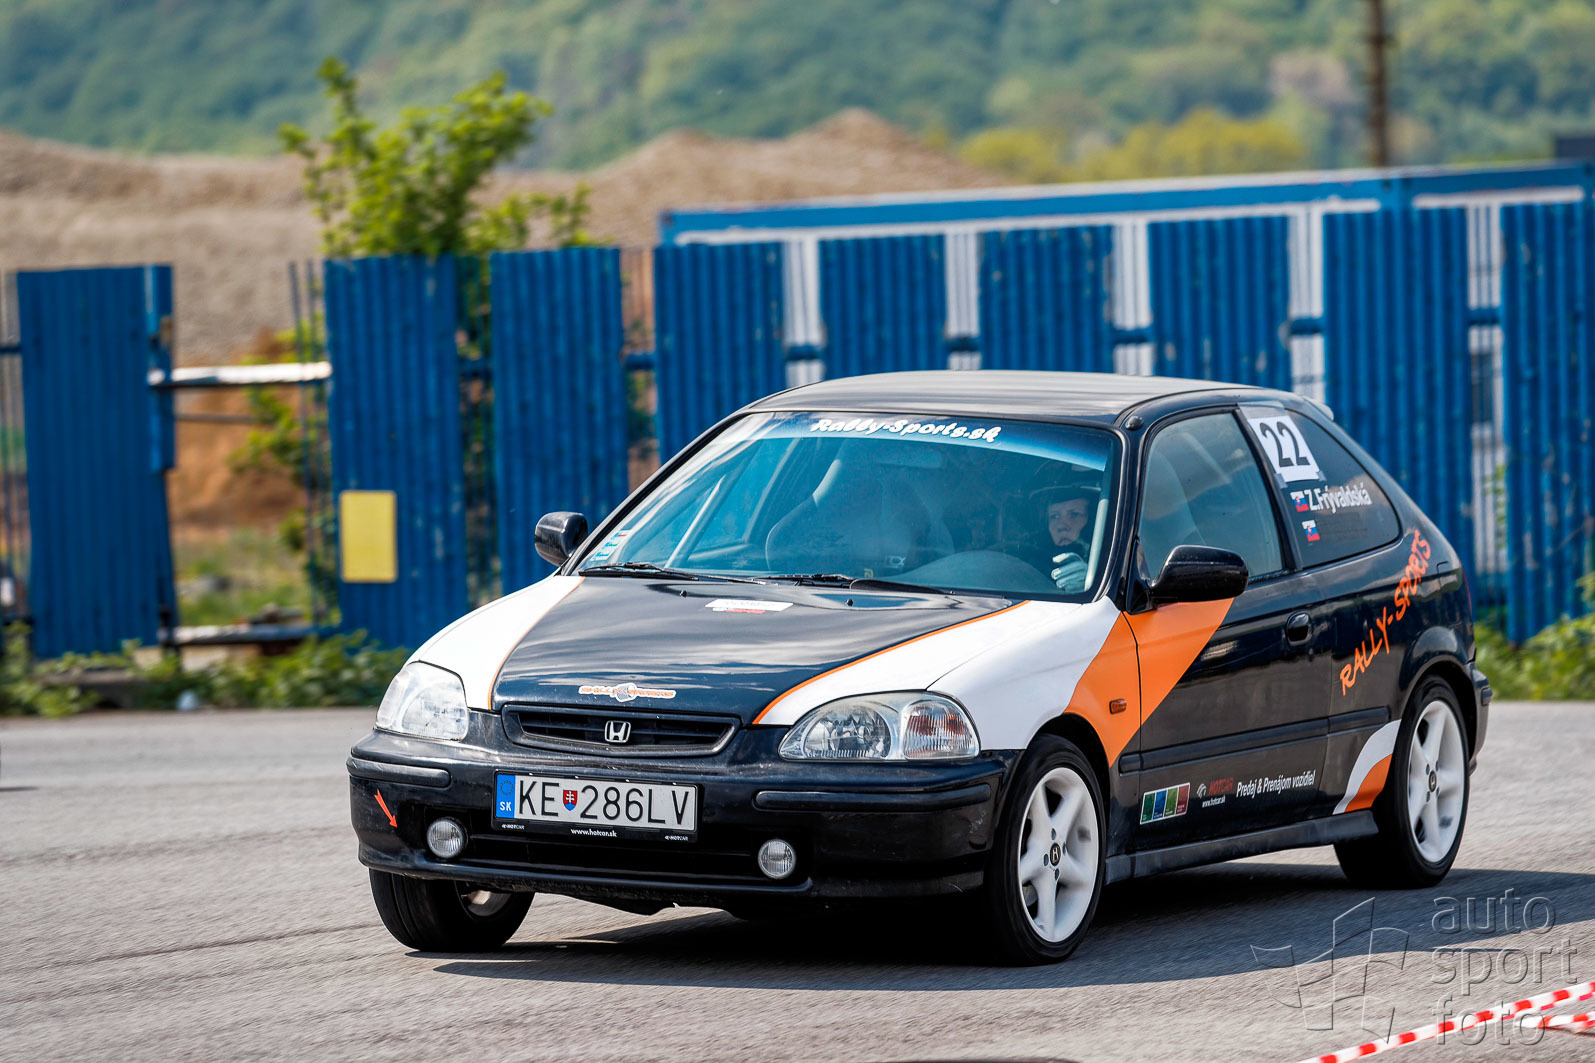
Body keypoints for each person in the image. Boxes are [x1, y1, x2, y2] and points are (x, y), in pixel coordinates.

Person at [1029, 483, 1096, 591]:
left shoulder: (1112, 564)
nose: (1061, 526)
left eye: (1074, 514)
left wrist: (1092, 582)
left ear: (1092, 521)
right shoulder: (1032, 560)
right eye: (1054, 516)